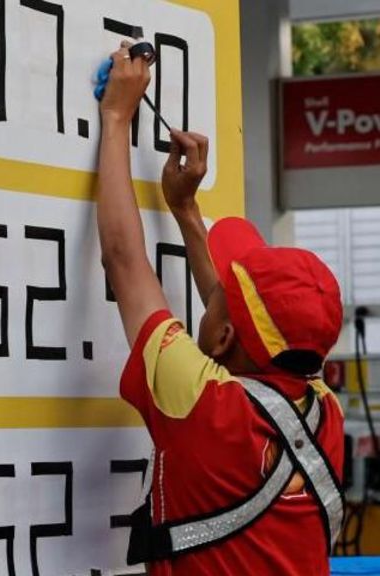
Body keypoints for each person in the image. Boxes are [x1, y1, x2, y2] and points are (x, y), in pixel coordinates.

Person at [96, 42, 345, 574]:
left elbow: (123, 260)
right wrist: (185, 209)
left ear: (227, 336)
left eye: (219, 295)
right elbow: (227, 314)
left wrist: (116, 117)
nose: (210, 293)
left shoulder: (204, 403)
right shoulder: (325, 410)